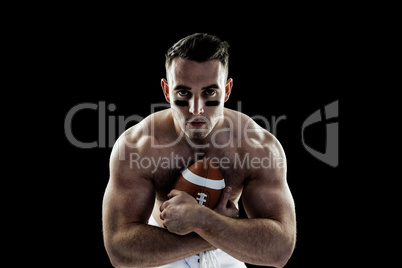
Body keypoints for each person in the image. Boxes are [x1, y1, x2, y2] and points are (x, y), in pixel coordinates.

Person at [102, 33, 296, 268]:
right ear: (166, 90)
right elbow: (119, 250)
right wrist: (214, 229)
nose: (196, 109)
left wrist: (203, 220)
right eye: (183, 93)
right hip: (161, 247)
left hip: (228, 246)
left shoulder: (258, 146)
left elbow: (280, 250)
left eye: (209, 93)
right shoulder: (139, 145)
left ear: (226, 90)